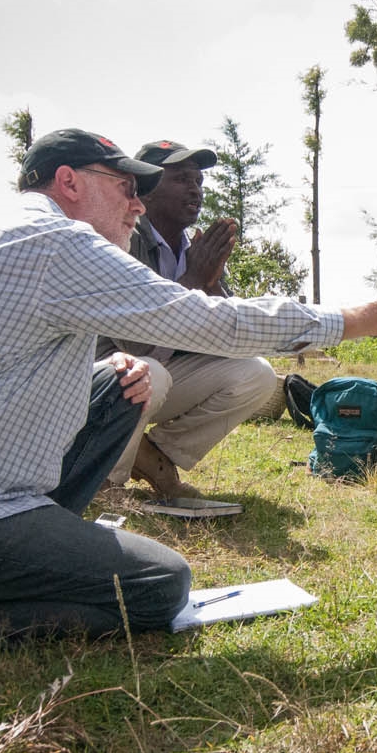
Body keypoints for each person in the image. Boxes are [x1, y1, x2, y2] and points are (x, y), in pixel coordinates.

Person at [0, 128, 377, 656]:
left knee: (118, 383)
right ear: (69, 184)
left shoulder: (1, 236)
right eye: (124, 186)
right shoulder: (54, 241)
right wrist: (358, 319)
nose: (136, 205)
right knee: (159, 585)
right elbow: (206, 320)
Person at [97, 139, 279, 510]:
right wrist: (194, 278)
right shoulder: (123, 239)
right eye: (181, 178)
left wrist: (211, 284)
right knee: (148, 372)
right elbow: (132, 341)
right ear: (146, 187)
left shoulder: (194, 248)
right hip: (100, 383)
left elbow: (235, 339)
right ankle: (105, 481)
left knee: (256, 374)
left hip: (156, 377)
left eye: (198, 180)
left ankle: (156, 456)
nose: (195, 189)